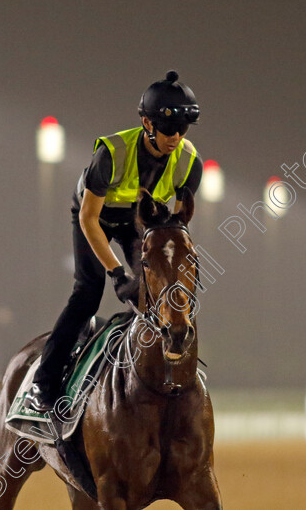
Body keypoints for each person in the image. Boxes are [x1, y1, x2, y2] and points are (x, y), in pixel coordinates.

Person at [24, 70, 204, 412]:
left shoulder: (189, 162)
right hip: (96, 219)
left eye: (183, 130)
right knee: (87, 295)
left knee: (154, 293)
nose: (176, 137)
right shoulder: (112, 153)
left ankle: (161, 375)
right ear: (147, 123)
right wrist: (117, 273)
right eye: (168, 129)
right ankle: (42, 383)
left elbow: (175, 227)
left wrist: (173, 277)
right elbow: (88, 218)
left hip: (140, 222)